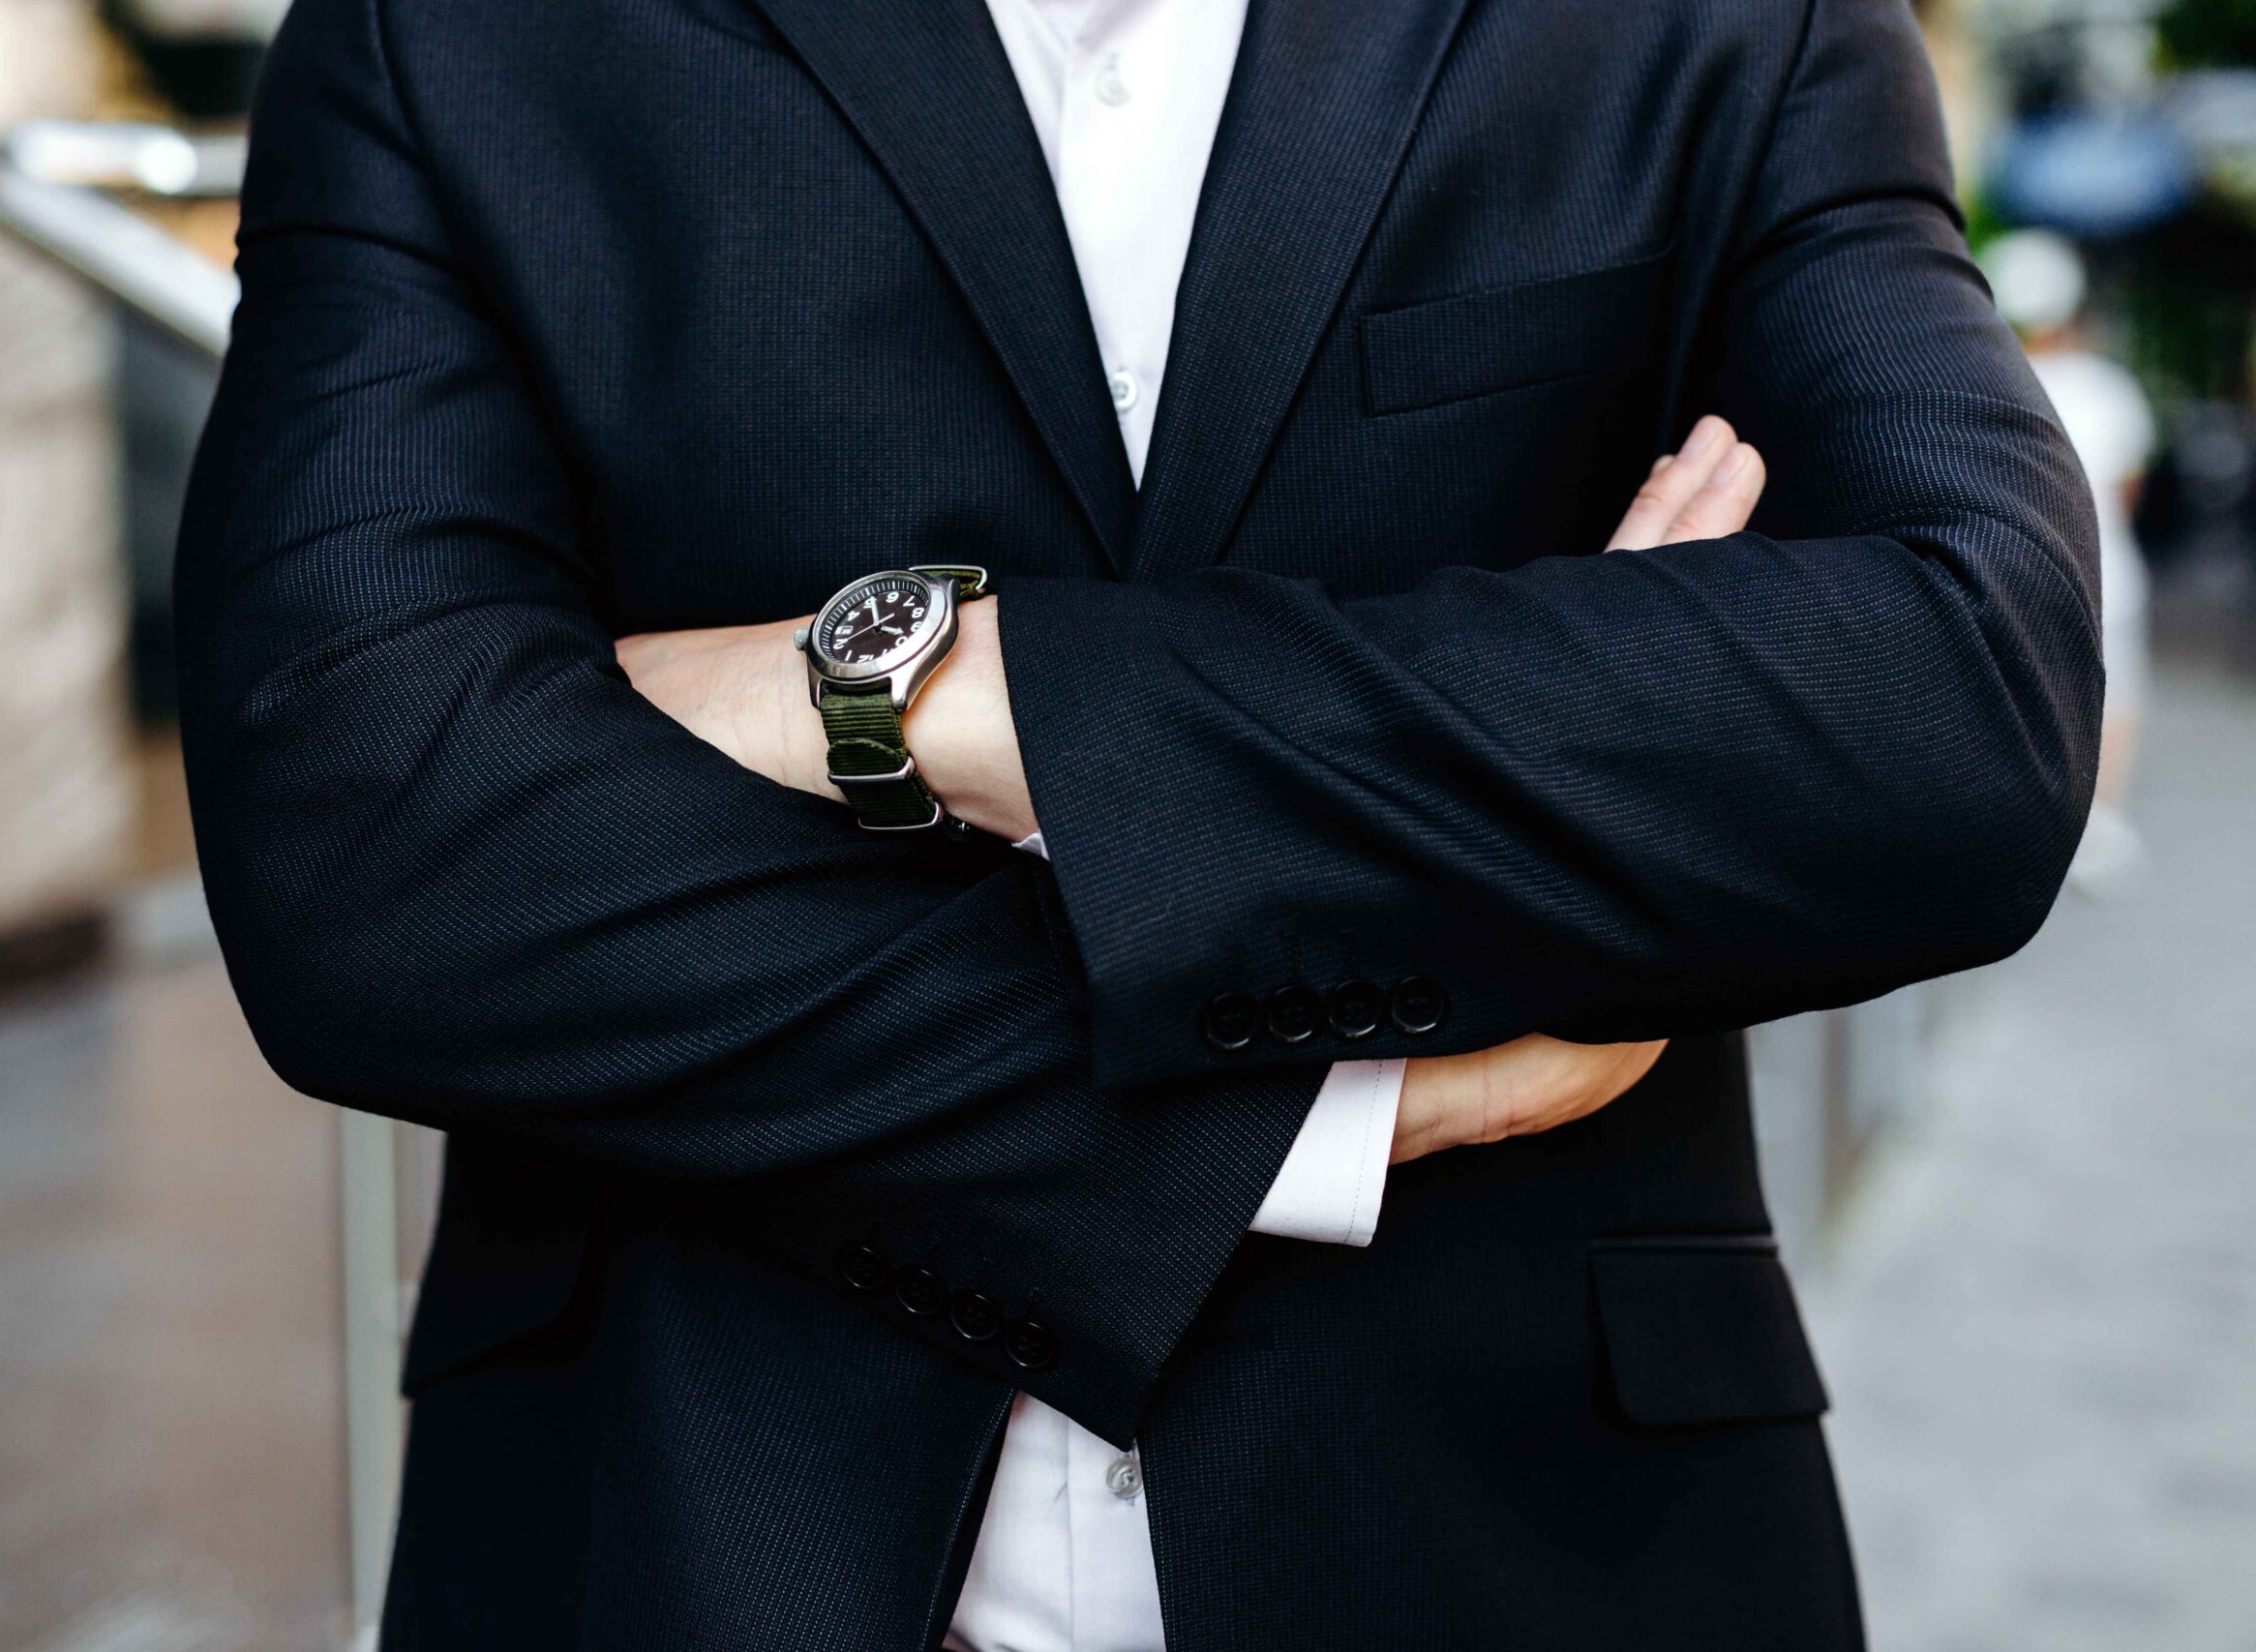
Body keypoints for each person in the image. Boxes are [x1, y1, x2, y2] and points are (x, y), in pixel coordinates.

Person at [174, 0, 2102, 1647]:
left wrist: (907, 687)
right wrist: (1338, 1094)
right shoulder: (454, 34)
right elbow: (363, 853)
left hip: (1515, 1535)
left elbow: (1955, 707)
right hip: (684, 1517)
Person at [1980, 227, 2156, 892]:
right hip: (2109, 569)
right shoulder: (2107, 386)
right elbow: (2128, 490)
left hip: (2016, 571)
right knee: (2116, 696)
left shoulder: (1985, 379)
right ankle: (2097, 825)